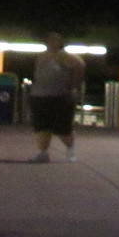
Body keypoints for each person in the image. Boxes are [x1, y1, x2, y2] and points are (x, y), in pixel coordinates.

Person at [27, 33, 87, 163]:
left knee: (63, 129)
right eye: (49, 40)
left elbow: (80, 66)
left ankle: (70, 150)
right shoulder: (41, 57)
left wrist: (73, 85)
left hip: (60, 96)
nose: (52, 43)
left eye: (55, 41)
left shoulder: (66, 56)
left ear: (60, 43)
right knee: (42, 127)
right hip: (40, 96)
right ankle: (43, 153)